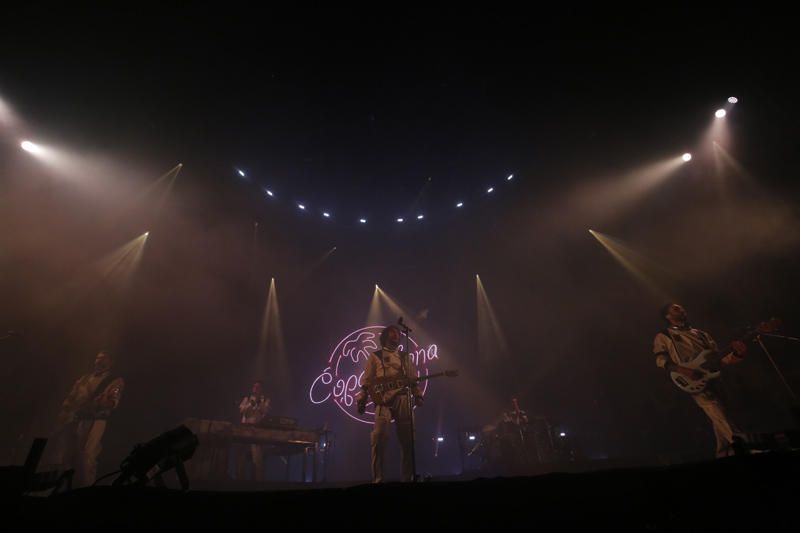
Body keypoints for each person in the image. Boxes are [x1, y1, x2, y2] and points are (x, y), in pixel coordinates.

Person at [653, 303, 747, 457]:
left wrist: (737, 355)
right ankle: (743, 445)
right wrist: (684, 370)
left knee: (720, 415)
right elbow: (660, 360)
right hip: (691, 380)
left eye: (681, 307)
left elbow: (720, 360)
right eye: (675, 308)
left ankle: (724, 453)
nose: (681, 309)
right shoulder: (664, 335)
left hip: (713, 378)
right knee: (716, 410)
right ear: (667, 316)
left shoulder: (702, 334)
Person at [356, 325, 424, 482]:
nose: (397, 336)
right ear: (386, 336)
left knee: (408, 441)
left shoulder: (404, 356)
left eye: (398, 334)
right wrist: (362, 399)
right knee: (378, 439)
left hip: (402, 398)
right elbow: (366, 380)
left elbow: (413, 378)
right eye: (393, 333)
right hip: (383, 401)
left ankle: (408, 478)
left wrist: (418, 395)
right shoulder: (375, 356)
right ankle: (377, 479)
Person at [56, 351, 124, 486]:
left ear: (111, 362)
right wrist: (66, 411)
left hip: (94, 421)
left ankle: (86, 488)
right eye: (98, 358)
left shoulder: (115, 381)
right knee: (68, 455)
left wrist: (100, 403)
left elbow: (112, 402)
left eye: (104, 358)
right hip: (75, 420)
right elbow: (71, 398)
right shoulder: (84, 379)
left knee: (87, 456)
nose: (99, 361)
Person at [237, 380, 270, 480]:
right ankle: (239, 479)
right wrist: (250, 404)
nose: (255, 388)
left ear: (261, 389)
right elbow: (241, 410)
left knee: (257, 458)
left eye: (258, 387)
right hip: (245, 430)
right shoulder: (247, 398)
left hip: (257, 431)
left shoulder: (265, 400)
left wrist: (260, 404)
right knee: (241, 456)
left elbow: (265, 412)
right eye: (254, 386)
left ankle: (257, 481)